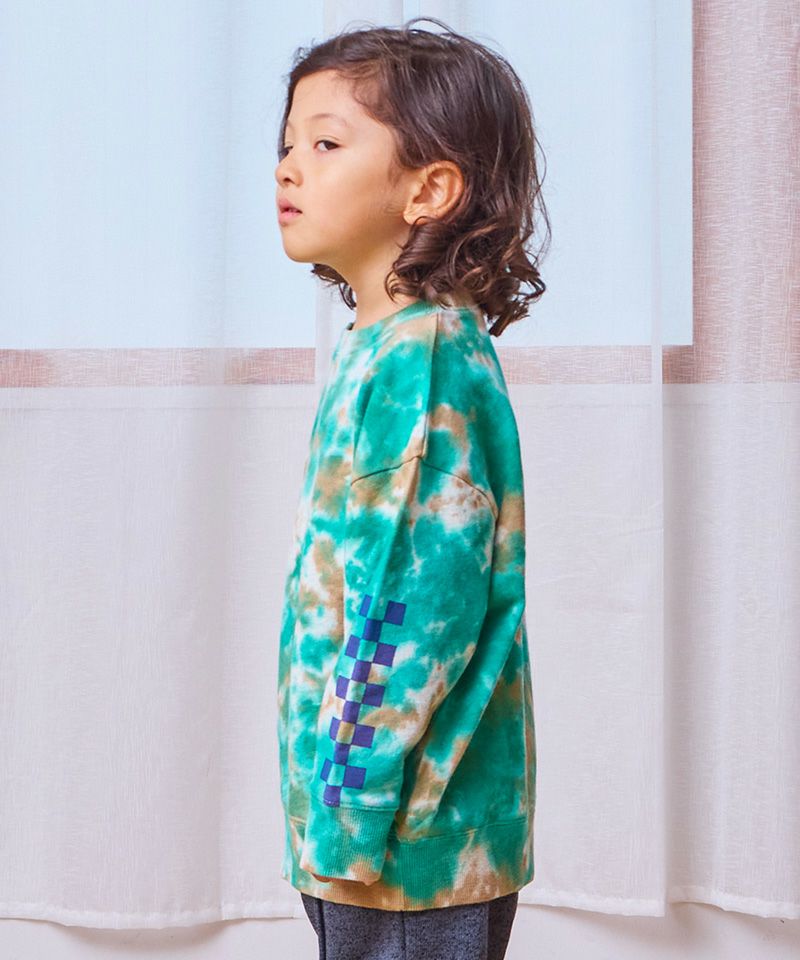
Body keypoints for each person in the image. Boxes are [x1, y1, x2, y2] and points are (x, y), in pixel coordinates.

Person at [274, 15, 550, 960]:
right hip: (386, 826)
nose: (288, 168)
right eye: (287, 144)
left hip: (404, 842)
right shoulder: (388, 347)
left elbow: (412, 603)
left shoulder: (420, 366)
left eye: (325, 144)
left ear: (428, 190)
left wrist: (348, 812)